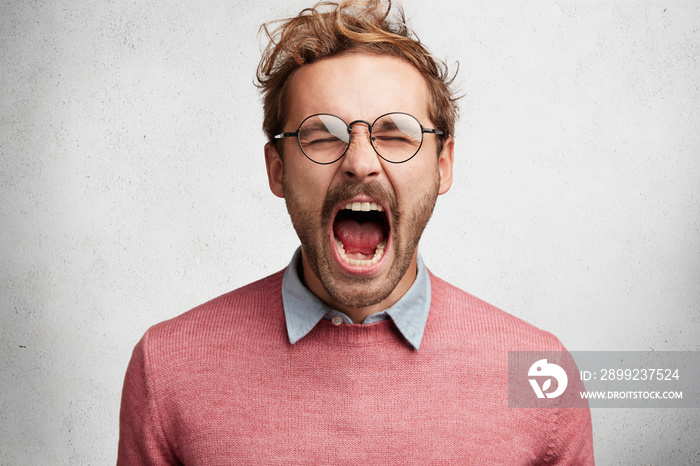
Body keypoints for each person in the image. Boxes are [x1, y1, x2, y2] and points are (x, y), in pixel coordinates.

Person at [118, 0, 594, 463]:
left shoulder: (541, 375)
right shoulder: (168, 368)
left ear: (443, 166)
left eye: (395, 133)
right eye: (322, 134)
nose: (361, 163)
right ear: (277, 169)